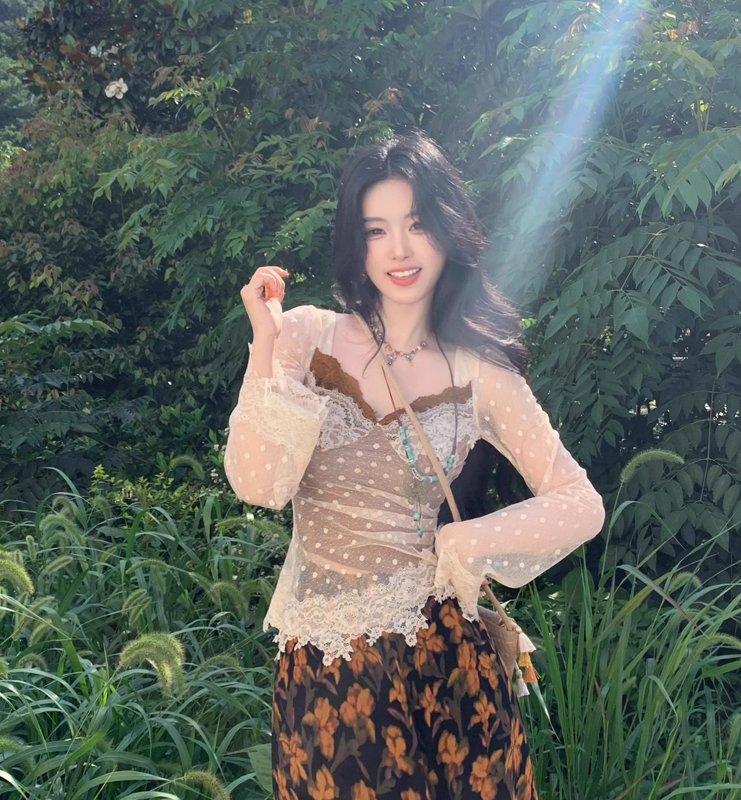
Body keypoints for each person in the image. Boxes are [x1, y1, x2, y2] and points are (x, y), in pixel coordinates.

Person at [224, 132, 606, 800]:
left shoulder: (479, 371)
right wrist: (264, 345)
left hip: (450, 666)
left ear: (448, 230)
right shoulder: (306, 337)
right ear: (356, 243)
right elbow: (259, 486)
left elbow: (581, 502)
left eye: (417, 224)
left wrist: (469, 541)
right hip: (329, 673)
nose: (399, 249)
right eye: (377, 230)